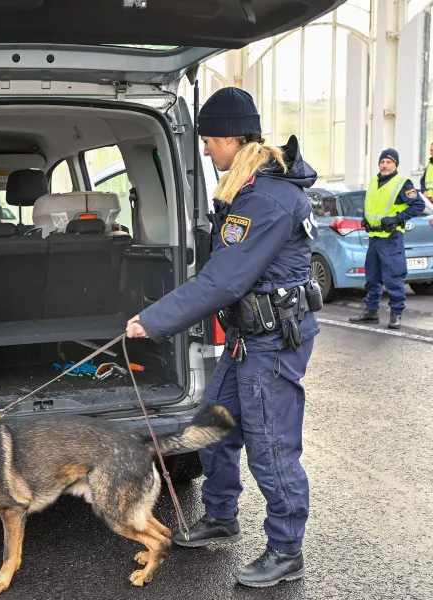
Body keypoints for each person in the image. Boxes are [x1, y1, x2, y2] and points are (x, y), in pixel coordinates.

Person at [126, 87, 320, 588]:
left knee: (271, 447)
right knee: (210, 429)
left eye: (210, 141)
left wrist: (152, 319)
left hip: (272, 342)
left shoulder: (267, 200)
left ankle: (285, 550)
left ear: (234, 140)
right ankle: (220, 515)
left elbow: (224, 280)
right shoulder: (248, 189)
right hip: (245, 337)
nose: (206, 151)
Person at [349, 149, 424, 329]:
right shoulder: (374, 182)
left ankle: (396, 314)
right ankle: (371, 312)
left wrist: (396, 218)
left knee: (393, 277)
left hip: (391, 238)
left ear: (395, 164)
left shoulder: (402, 183)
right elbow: (373, 206)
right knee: (372, 277)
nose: (384, 165)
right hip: (375, 238)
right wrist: (366, 219)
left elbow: (419, 205)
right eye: (382, 162)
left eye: (389, 162)